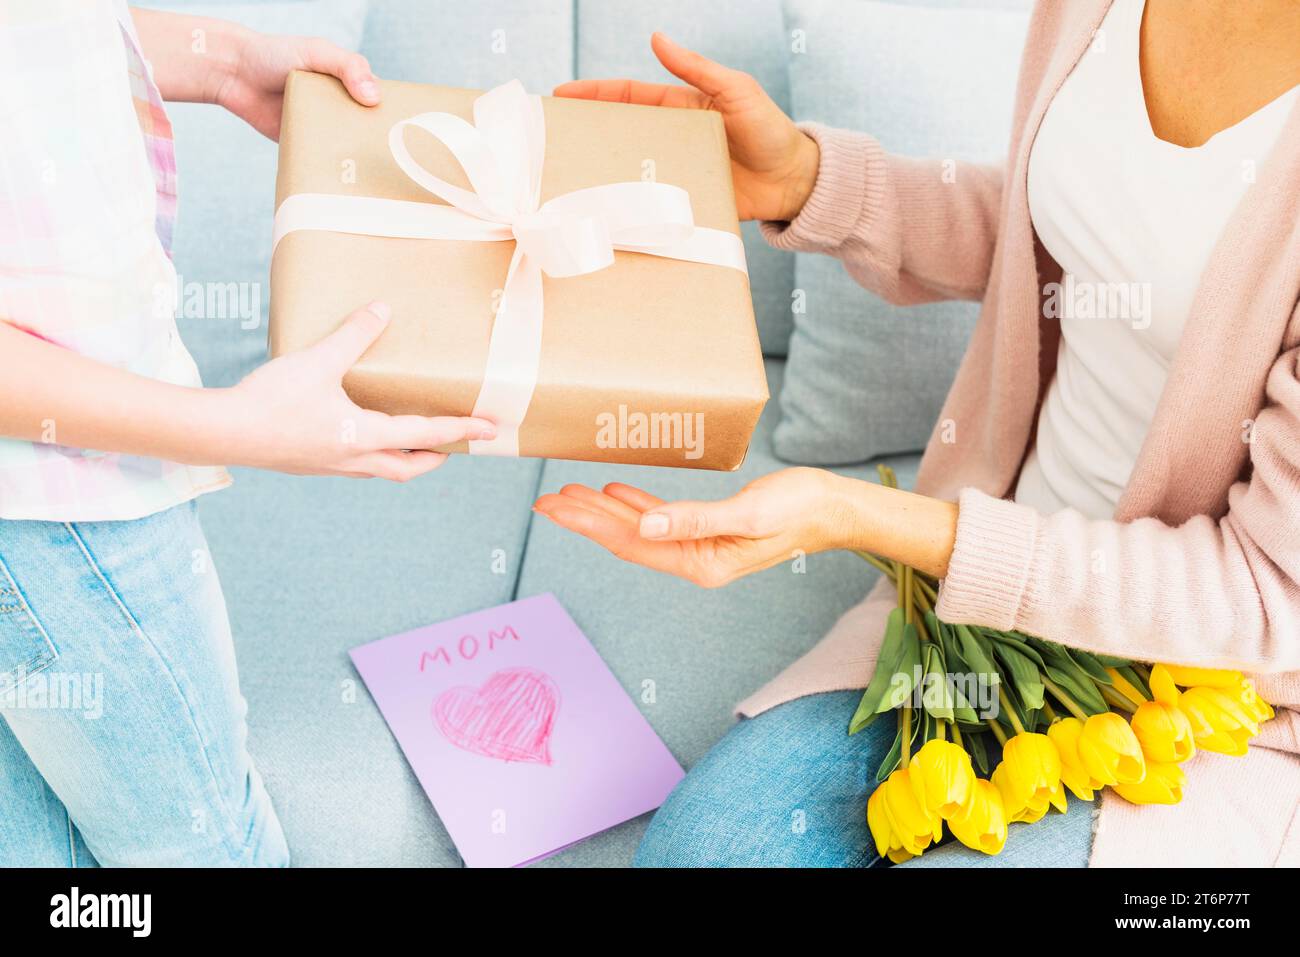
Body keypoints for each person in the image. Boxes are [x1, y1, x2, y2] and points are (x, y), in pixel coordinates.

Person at [536, 0, 1300, 867]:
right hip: (970, 612)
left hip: (1208, 697)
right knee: (702, 852)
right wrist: (809, 179)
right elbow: (1068, 241)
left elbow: (1264, 592)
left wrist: (862, 518)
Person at [0, 2, 494, 866]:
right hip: (56, 502)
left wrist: (222, 61)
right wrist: (231, 426)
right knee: (207, 848)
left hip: (60, 479)